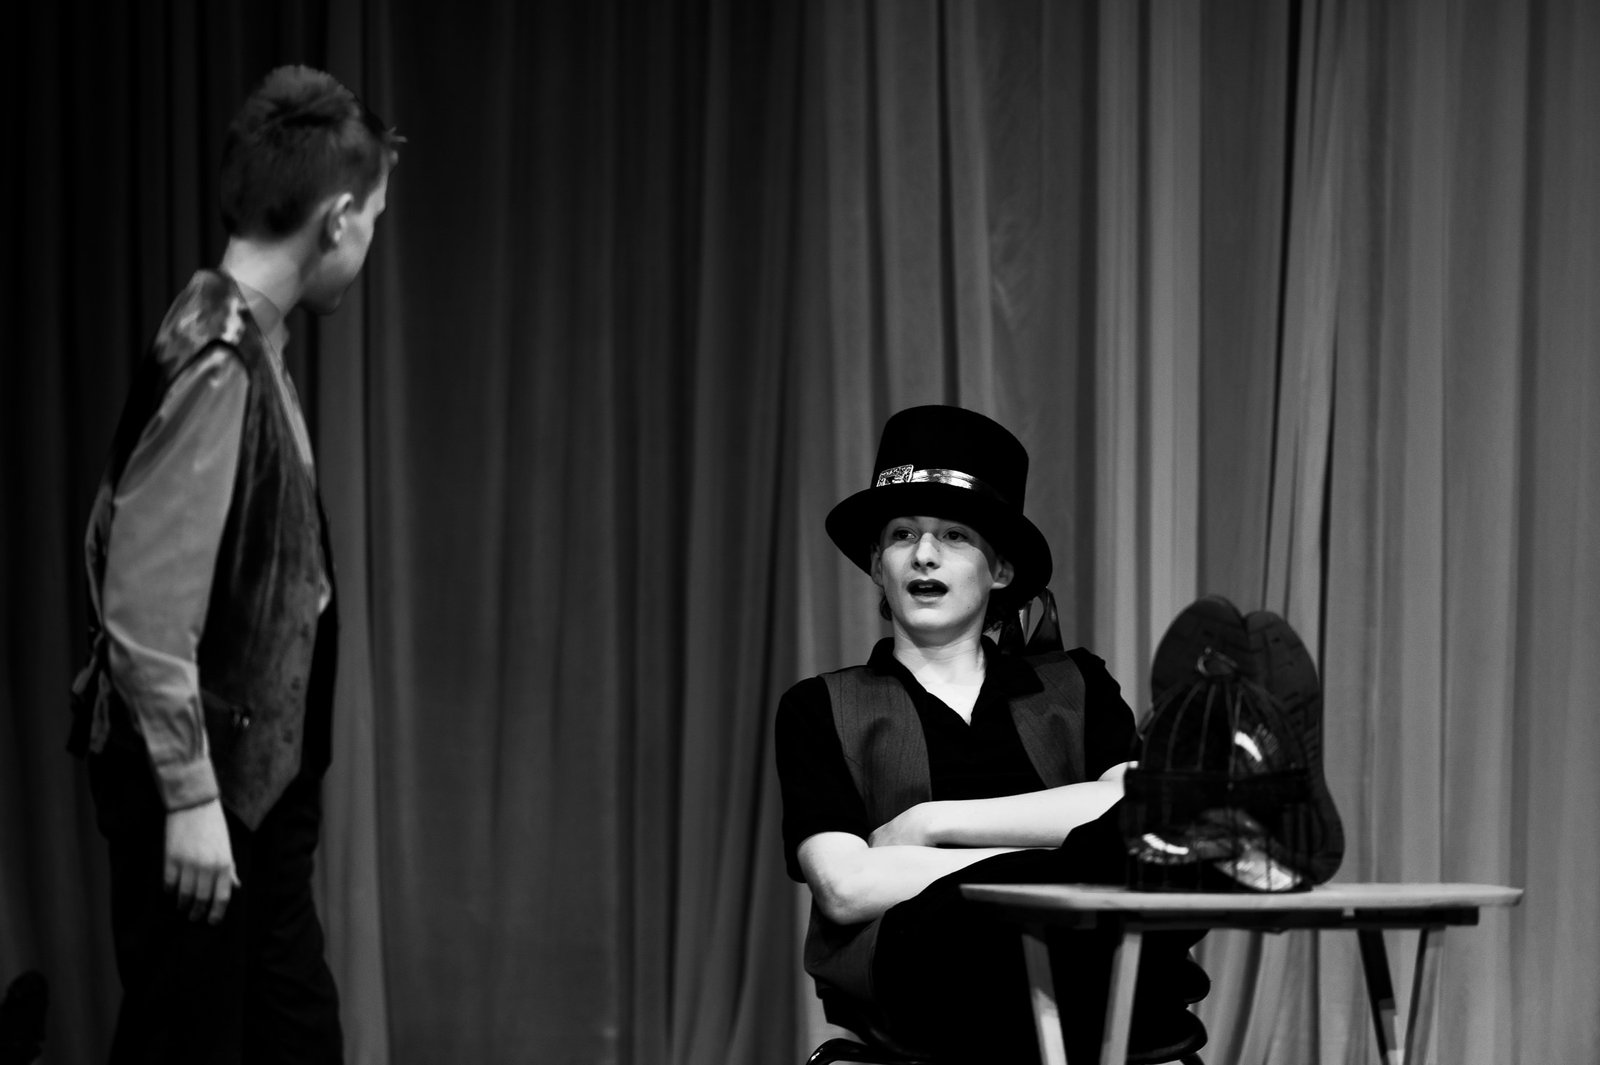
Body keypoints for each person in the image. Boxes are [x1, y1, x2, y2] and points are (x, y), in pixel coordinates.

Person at [68, 65, 400, 1064]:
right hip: (211, 793)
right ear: (336, 220)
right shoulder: (218, 358)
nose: (370, 242)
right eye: (373, 219)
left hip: (254, 796)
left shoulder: (245, 340)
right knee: (192, 1038)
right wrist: (190, 797)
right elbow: (141, 605)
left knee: (287, 1031)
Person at [775, 405, 1206, 1064]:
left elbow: (1135, 802)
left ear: (1000, 569)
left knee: (1158, 846)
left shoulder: (1075, 684)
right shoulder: (820, 707)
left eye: (953, 535)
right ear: (877, 565)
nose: (924, 554)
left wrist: (931, 824)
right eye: (902, 534)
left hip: (1085, 962)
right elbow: (846, 885)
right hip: (931, 973)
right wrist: (1054, 868)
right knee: (1010, 911)